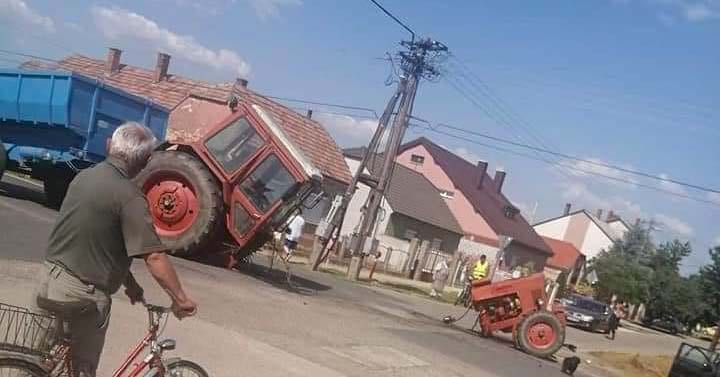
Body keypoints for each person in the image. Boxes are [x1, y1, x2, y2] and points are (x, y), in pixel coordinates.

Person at [34, 122, 197, 377]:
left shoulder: (84, 176)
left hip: (49, 278)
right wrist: (181, 299)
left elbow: (99, 239)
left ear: (109, 144)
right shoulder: (129, 197)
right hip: (82, 294)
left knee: (39, 361)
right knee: (81, 370)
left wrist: (128, 282)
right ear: (145, 161)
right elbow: (154, 256)